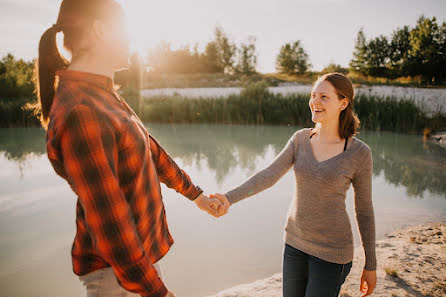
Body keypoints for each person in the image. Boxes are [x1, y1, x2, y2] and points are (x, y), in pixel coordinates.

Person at [34, 1, 225, 296]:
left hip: (134, 267)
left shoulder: (101, 92)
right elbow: (111, 225)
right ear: (99, 30)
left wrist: (195, 195)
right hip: (118, 276)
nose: (131, 38)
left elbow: (150, 151)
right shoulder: (82, 111)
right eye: (124, 27)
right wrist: (157, 292)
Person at [212, 73, 377, 297]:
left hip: (332, 253)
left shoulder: (360, 153)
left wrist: (371, 264)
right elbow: (269, 175)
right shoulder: (300, 140)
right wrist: (229, 197)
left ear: (343, 103)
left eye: (324, 97)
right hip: (294, 244)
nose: (315, 102)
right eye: (313, 95)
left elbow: (364, 210)